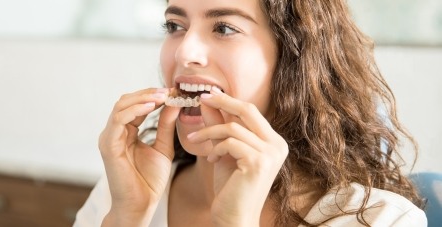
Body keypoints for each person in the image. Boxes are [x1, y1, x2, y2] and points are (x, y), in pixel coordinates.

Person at [74, 0, 427, 226]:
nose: (184, 53)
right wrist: (126, 217)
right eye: (175, 26)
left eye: (224, 27)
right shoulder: (119, 193)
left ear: (293, 58)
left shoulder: (381, 220)